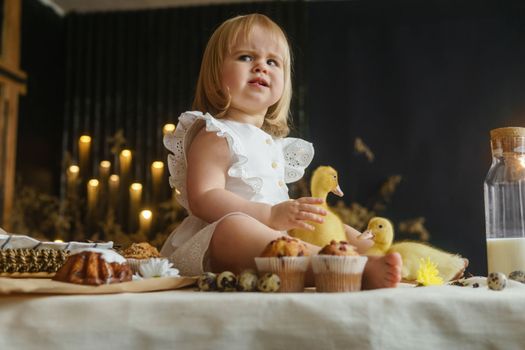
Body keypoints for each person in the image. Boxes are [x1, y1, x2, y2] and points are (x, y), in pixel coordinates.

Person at [161, 13, 402, 288]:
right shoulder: (215, 133)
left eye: (272, 62)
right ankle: (342, 268)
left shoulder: (274, 145)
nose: (261, 67)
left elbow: (283, 214)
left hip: (279, 239)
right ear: (216, 75)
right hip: (220, 245)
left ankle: (372, 254)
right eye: (246, 57)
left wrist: (295, 217)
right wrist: (267, 216)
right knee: (235, 228)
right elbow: (203, 198)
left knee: (327, 224)